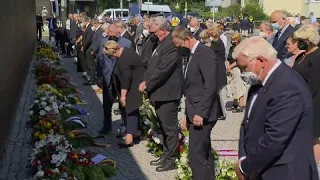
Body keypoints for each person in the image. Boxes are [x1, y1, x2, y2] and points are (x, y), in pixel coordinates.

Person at [234, 36, 318, 180]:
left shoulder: (287, 86)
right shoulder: (259, 82)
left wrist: (246, 167)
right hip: (261, 168)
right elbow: (246, 124)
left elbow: (275, 138)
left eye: (244, 67)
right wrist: (243, 157)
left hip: (285, 172)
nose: (242, 73)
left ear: (260, 61)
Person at [172, 26, 220, 180]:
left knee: (196, 155)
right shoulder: (192, 54)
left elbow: (210, 85)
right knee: (203, 152)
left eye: (179, 45)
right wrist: (187, 114)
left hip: (203, 113)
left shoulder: (204, 53)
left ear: (186, 39)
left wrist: (200, 112)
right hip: (195, 110)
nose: (179, 49)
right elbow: (192, 88)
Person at [138, 16, 183, 172]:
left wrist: (148, 83)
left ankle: (172, 158)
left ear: (163, 30)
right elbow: (148, 62)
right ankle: (166, 155)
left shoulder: (171, 44)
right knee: (163, 127)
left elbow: (163, 70)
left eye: (154, 32)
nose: (152, 35)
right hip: (160, 92)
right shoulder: (160, 42)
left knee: (170, 129)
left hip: (168, 93)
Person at [103, 40, 145, 148]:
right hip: (131, 85)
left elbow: (126, 78)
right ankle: (136, 132)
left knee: (129, 110)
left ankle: (129, 138)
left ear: (114, 51)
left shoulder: (124, 59)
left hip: (132, 87)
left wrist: (123, 95)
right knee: (127, 109)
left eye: (111, 56)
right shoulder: (126, 52)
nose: (112, 59)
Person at [96, 24, 132, 135]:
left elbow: (129, 61)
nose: (111, 35)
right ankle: (106, 126)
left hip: (120, 80)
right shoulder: (103, 42)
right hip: (107, 79)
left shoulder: (127, 43)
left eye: (113, 33)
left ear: (118, 32)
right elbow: (99, 60)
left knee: (123, 104)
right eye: (109, 33)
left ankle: (125, 126)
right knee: (107, 105)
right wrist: (100, 77)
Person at [292, 25, 320, 165]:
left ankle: (313, 167)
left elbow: (314, 84)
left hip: (312, 101)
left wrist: (302, 101)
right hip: (298, 98)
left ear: (309, 40)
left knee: (313, 136)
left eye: (301, 40)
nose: (298, 43)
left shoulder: (317, 57)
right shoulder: (303, 55)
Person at [207, 27, 227, 120]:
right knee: (216, 92)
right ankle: (218, 112)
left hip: (219, 70)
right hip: (218, 68)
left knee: (218, 93)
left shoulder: (217, 43)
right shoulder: (217, 43)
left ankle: (222, 113)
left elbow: (210, 52)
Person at [226, 33, 247, 113]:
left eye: (234, 39)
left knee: (239, 86)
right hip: (230, 69)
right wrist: (228, 67)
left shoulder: (241, 48)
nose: (232, 41)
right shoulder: (231, 48)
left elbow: (239, 60)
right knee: (233, 86)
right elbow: (228, 58)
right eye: (232, 39)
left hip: (238, 68)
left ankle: (240, 105)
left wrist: (230, 67)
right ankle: (235, 103)